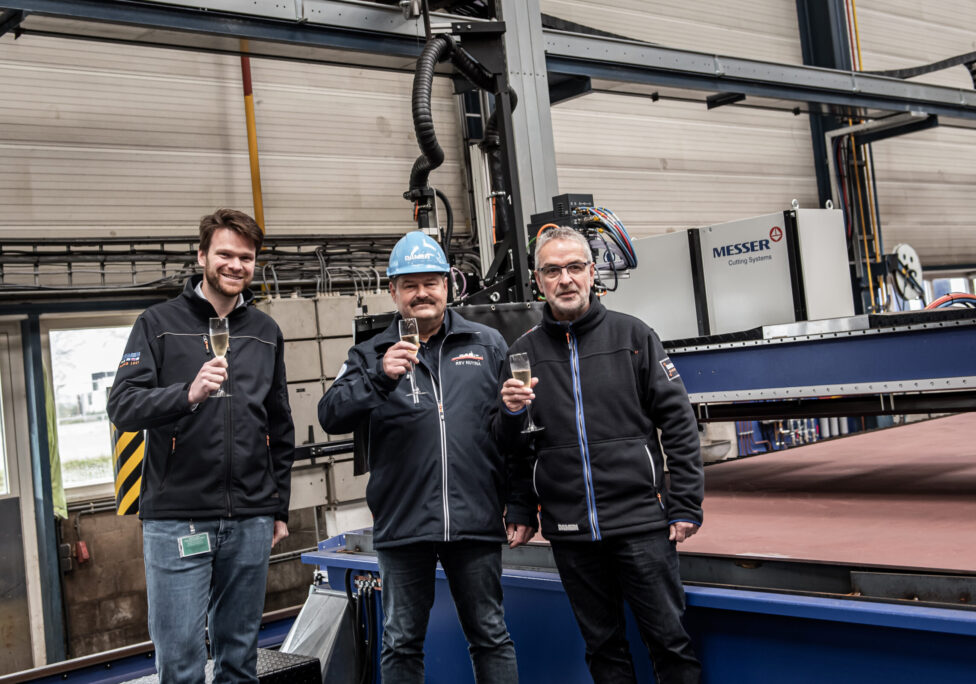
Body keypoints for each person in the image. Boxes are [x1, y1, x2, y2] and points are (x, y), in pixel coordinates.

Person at [318, 231, 535, 684]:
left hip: (474, 518)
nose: (422, 293)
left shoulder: (487, 343)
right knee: (400, 642)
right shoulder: (368, 354)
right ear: (393, 291)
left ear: (447, 286)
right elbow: (330, 415)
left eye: (431, 282)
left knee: (491, 635)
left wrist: (518, 504)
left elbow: (511, 436)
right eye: (410, 284)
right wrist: (378, 377)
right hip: (403, 524)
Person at [496, 226, 704, 683]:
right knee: (603, 650)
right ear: (538, 280)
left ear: (593, 273)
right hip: (570, 531)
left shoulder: (634, 336)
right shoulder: (522, 352)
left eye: (574, 267)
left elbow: (680, 425)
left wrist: (685, 503)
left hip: (640, 524)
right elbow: (514, 448)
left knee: (670, 644)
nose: (565, 279)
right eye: (553, 270)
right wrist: (518, 505)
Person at [107, 208, 296, 683]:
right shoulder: (157, 323)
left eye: (246, 257)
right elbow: (123, 406)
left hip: (251, 517)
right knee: (181, 658)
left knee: (240, 657)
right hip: (177, 517)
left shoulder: (265, 331)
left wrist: (277, 508)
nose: (236, 265)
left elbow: (280, 425)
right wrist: (186, 394)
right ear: (202, 256)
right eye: (225, 254)